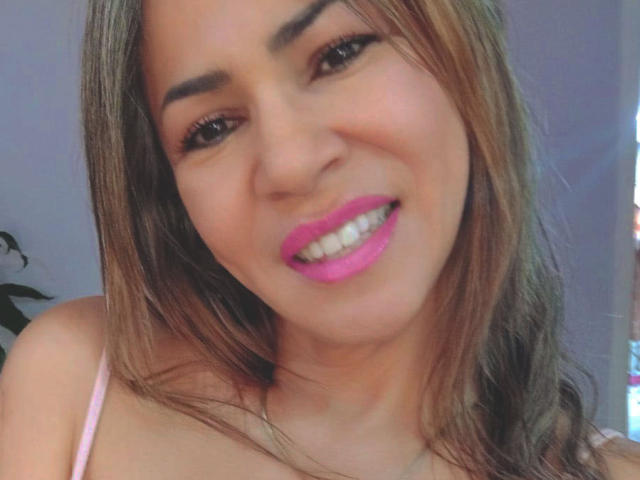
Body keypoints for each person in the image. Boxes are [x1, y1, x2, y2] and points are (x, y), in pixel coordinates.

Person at [1, 0, 639, 478]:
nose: (290, 164)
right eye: (212, 128)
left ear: (461, 46)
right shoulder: (76, 381)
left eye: (339, 54)